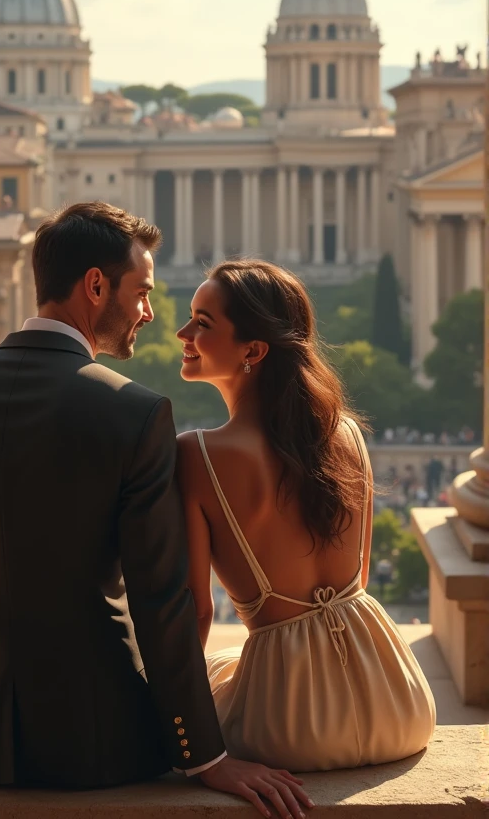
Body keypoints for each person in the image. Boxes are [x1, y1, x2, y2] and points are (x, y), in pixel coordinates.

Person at [0, 205, 311, 819]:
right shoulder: (137, 413)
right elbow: (162, 602)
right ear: (96, 285)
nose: (149, 314)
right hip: (98, 742)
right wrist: (203, 754)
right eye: (142, 292)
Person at [175, 259, 436, 772]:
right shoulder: (346, 433)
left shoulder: (197, 454)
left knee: (206, 681)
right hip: (399, 702)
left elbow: (197, 613)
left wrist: (183, 741)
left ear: (253, 351)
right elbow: (357, 578)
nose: (183, 333)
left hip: (289, 726)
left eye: (202, 323)